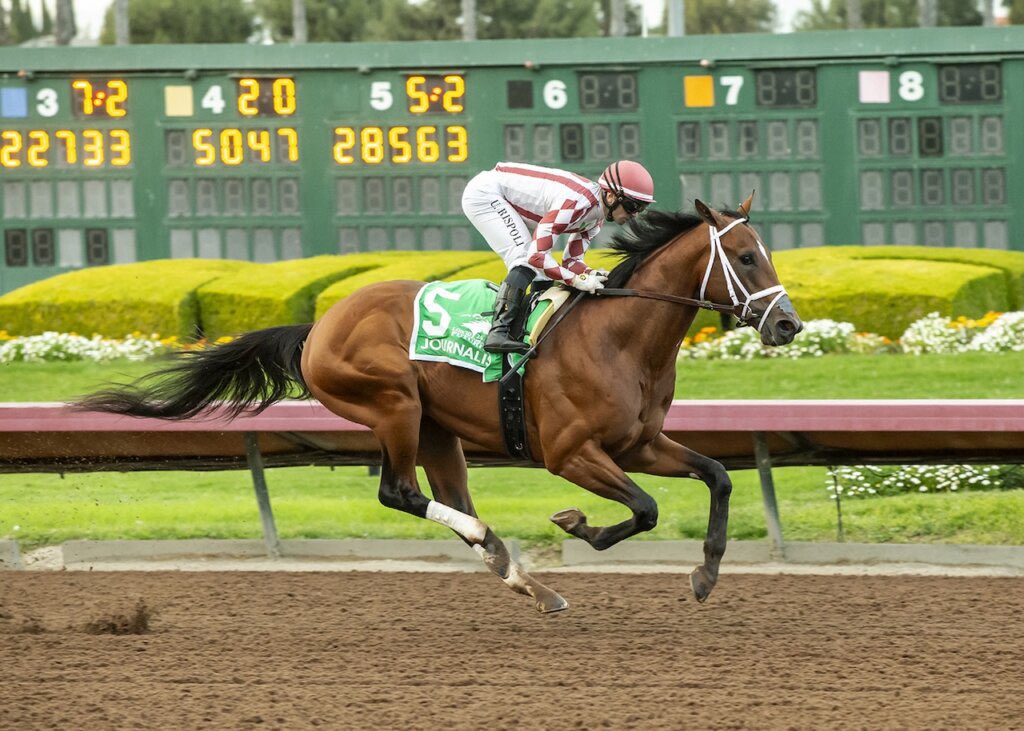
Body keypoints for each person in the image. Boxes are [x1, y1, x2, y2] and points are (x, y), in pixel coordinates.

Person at [461, 160, 655, 354]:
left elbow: (571, 262)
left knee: (543, 275)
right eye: (632, 206)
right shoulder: (577, 203)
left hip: (505, 196)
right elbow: (536, 257)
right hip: (485, 194)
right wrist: (576, 281)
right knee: (523, 259)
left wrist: (591, 274)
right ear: (611, 196)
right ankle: (498, 332)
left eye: (642, 208)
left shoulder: (596, 219)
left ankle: (527, 331)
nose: (635, 214)